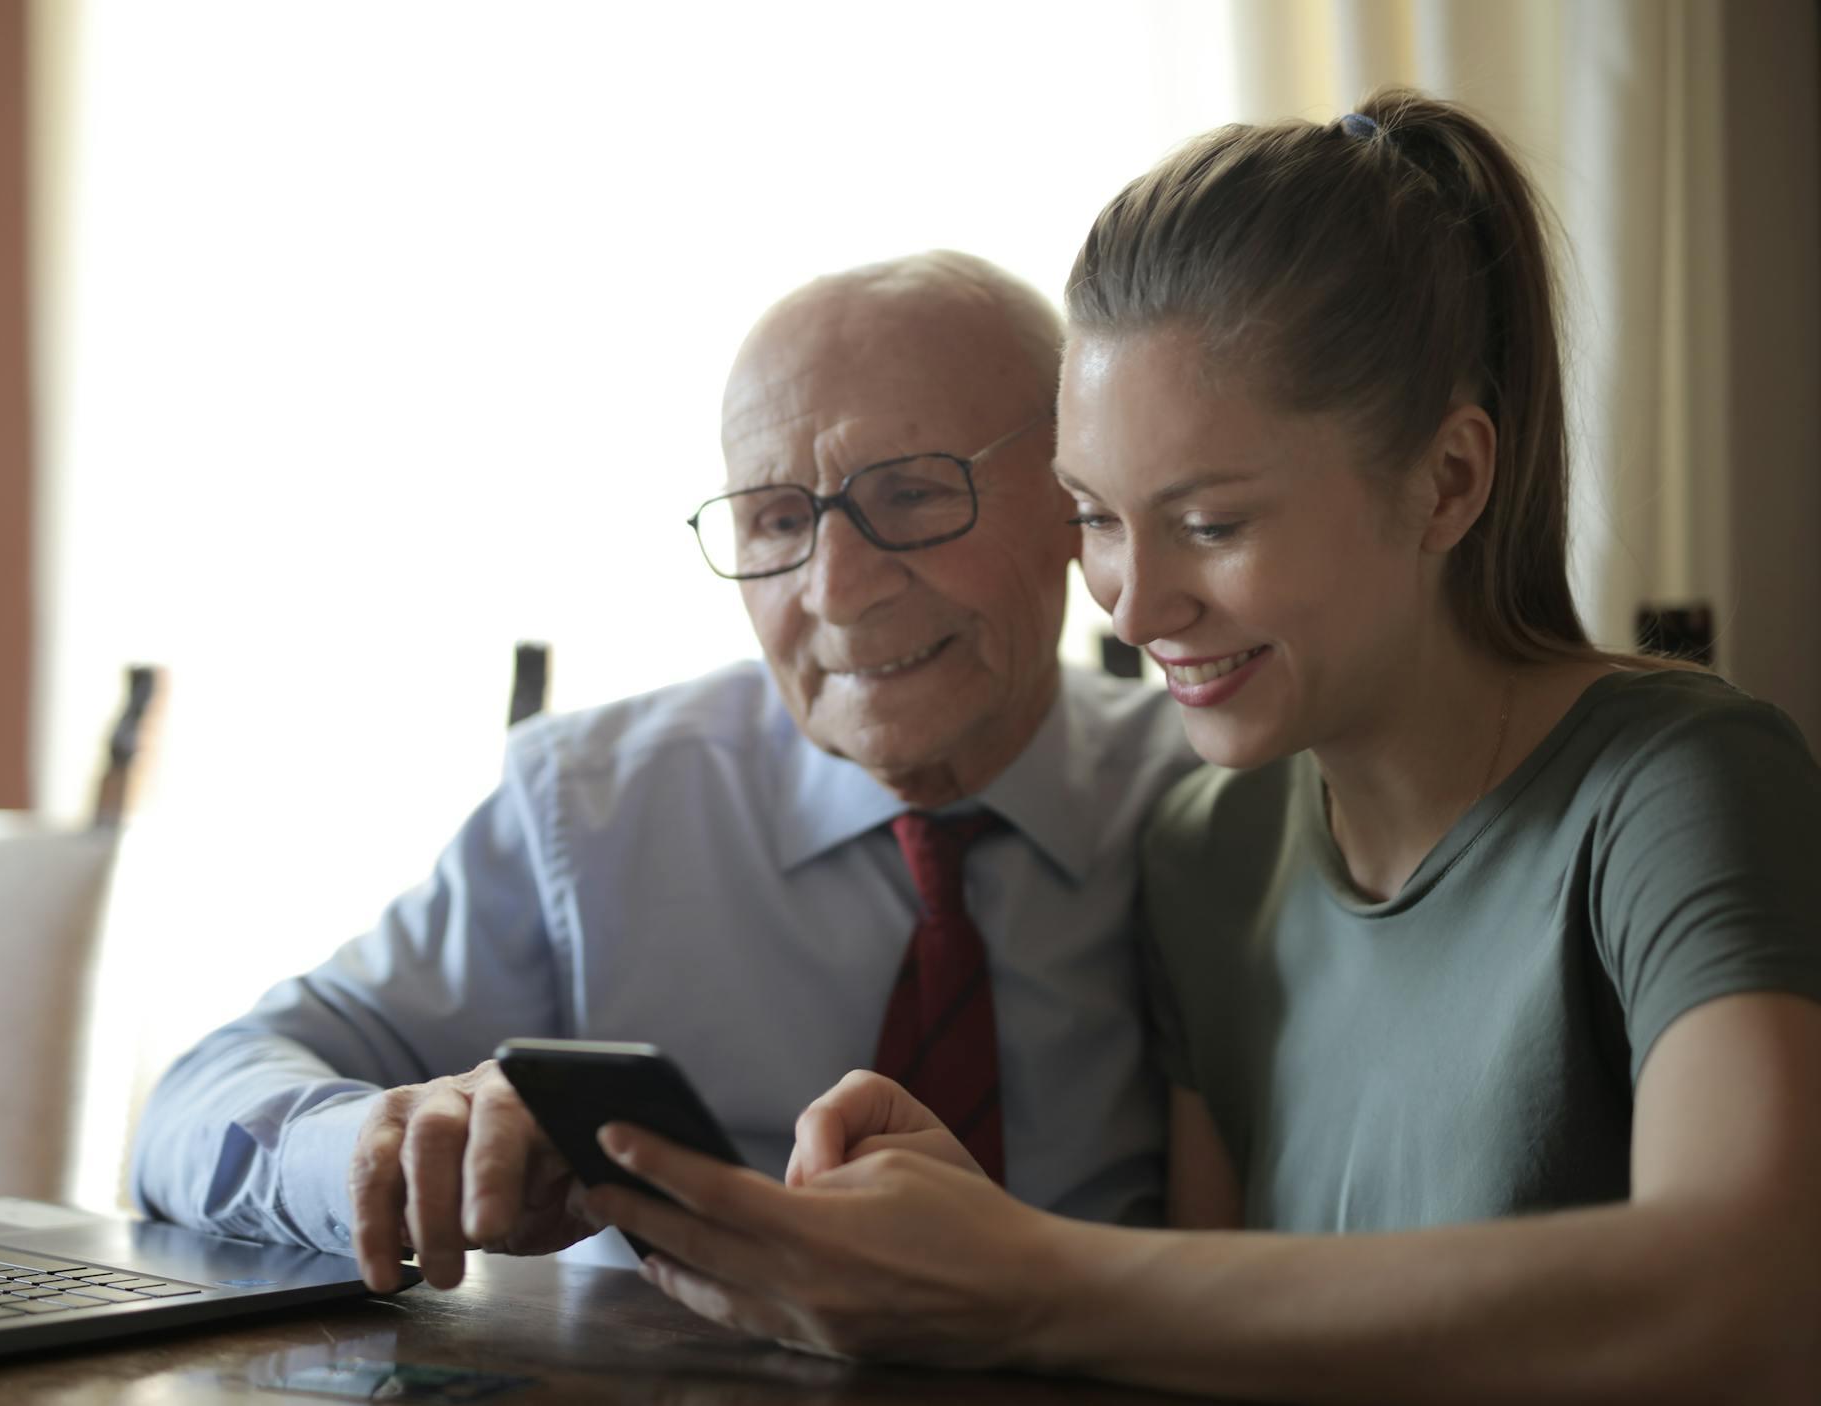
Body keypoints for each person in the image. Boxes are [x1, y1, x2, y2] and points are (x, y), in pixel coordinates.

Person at [580, 90, 1821, 1403]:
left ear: (1450, 481)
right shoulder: (1209, 849)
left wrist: (1024, 1272)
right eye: (1096, 517)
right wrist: (957, 1233)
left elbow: (1759, 1294)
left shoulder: (1680, 786)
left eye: (1211, 523)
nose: (1130, 601)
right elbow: (1206, 1341)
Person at [129, 250, 1197, 1297]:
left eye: (913, 495)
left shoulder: (1210, 807)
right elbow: (194, 1107)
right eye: (778, 519)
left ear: (1076, 499)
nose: (836, 590)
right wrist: (380, 1143)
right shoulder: (594, 808)